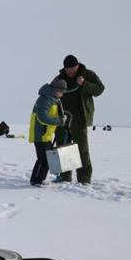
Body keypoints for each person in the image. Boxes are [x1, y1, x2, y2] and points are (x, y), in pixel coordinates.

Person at [53, 55, 105, 184]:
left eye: (72, 68)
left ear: (77, 65)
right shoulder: (60, 78)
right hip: (62, 118)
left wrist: (84, 84)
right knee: (63, 147)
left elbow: (100, 89)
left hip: (80, 118)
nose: (70, 71)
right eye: (67, 69)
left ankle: (84, 180)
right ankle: (65, 178)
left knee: (82, 149)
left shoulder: (88, 74)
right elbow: (50, 92)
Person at [28, 78, 67, 186]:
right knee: (42, 159)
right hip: (40, 134)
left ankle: (40, 179)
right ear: (55, 90)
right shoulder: (44, 100)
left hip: (47, 135)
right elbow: (42, 117)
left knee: (47, 158)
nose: (62, 95)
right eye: (61, 92)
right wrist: (58, 121)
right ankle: (35, 180)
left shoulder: (53, 100)